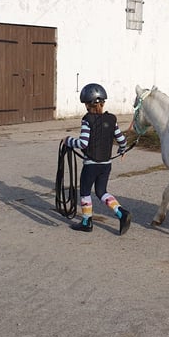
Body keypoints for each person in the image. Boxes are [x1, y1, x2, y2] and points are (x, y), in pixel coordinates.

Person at [64, 83, 131, 234]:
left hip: (91, 165)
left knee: (86, 192)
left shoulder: (87, 120)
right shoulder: (112, 119)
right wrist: (122, 150)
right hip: (106, 164)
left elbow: (83, 142)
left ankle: (87, 221)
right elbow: (122, 140)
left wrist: (67, 140)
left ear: (87, 104)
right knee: (101, 192)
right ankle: (121, 212)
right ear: (103, 103)